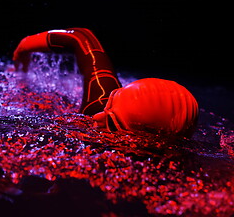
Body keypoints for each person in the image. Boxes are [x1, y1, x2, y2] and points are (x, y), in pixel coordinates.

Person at [13, 28, 198, 137]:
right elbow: (81, 37)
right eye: (112, 100)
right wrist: (24, 46)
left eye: (112, 122)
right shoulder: (98, 102)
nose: (97, 117)